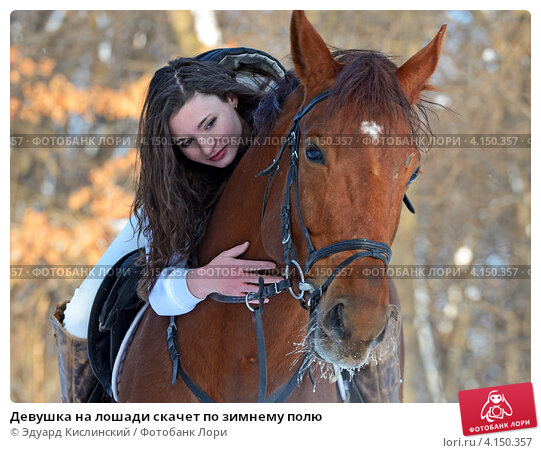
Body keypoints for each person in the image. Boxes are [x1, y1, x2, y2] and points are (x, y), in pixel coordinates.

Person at [51, 48, 287, 402]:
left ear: (232, 99)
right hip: (174, 209)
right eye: (187, 142)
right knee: (81, 311)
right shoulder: (175, 181)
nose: (208, 146)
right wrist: (204, 279)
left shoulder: (283, 128)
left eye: (210, 123)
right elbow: (158, 288)